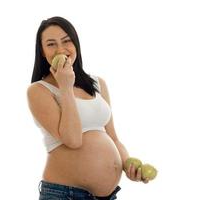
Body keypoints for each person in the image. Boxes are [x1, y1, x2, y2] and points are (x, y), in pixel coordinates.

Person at [27, 16, 148, 200]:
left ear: (76, 44)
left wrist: (128, 166)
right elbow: (73, 140)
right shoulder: (38, 91)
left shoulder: (98, 83)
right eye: (51, 44)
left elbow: (113, 137)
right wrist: (66, 86)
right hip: (64, 194)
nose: (61, 49)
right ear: (42, 52)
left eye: (67, 41)